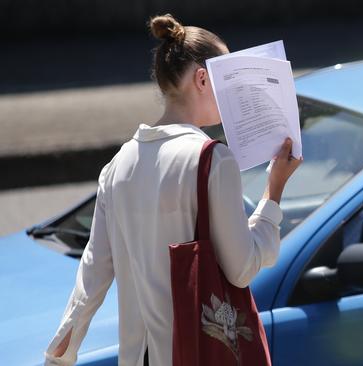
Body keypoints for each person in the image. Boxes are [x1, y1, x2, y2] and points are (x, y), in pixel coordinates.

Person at [44, 14, 301, 366]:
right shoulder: (212, 159)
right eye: (227, 78)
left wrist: (60, 352)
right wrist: (274, 192)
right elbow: (241, 268)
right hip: (195, 353)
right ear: (202, 79)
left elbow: (94, 272)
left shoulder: (119, 164)